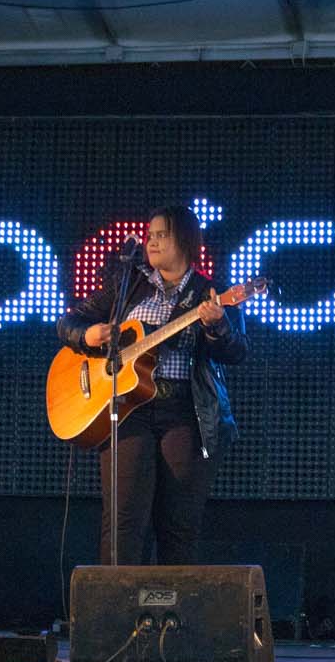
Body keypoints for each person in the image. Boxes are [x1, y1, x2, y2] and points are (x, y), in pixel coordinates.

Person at [57, 204, 248, 565]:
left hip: (185, 413)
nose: (152, 242)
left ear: (186, 241)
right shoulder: (128, 285)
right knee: (123, 522)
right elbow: (68, 323)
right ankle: (117, 599)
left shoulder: (211, 293)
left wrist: (217, 326)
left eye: (162, 235)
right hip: (129, 410)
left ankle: (173, 601)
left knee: (179, 524)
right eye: (150, 235)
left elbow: (237, 351)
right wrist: (88, 335)